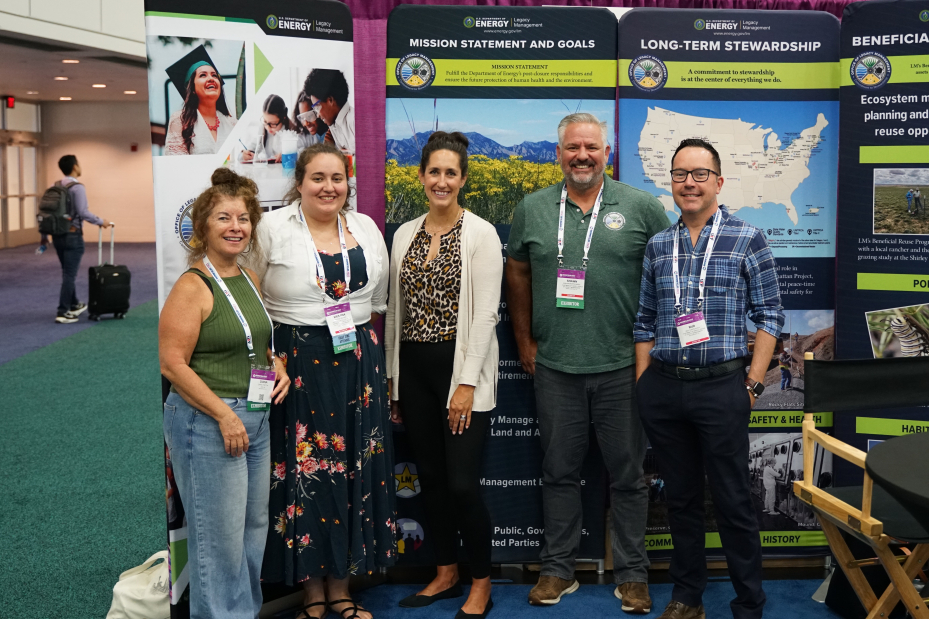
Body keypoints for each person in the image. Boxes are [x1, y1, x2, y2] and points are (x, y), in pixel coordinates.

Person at [505, 112, 669, 613]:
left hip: (623, 367)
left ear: (607, 154)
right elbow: (517, 271)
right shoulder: (532, 208)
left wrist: (653, 352)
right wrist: (525, 340)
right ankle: (557, 570)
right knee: (558, 471)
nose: (582, 156)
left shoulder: (642, 208)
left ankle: (633, 575)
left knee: (627, 476)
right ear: (559, 154)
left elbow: (668, 274)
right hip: (555, 366)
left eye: (591, 148)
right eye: (573, 147)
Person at [633, 138, 785, 619]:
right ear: (670, 182)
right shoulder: (658, 245)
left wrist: (754, 384)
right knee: (679, 500)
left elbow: (770, 317)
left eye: (700, 174)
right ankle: (687, 597)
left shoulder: (748, 238)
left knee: (734, 501)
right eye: (680, 174)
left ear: (719, 182)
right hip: (664, 386)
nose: (689, 183)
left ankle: (748, 603)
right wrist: (644, 385)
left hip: (723, 388)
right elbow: (644, 320)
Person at [247, 144, 396, 619]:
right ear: (300, 181)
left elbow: (378, 301)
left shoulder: (367, 228)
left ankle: (343, 587)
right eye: (318, 177)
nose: (328, 187)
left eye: (337, 178)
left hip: (357, 362)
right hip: (295, 365)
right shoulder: (271, 228)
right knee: (305, 473)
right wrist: (271, 360)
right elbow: (248, 302)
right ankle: (312, 592)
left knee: (353, 468)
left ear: (348, 182)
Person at [159, 168, 290, 619]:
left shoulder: (249, 280)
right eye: (223, 218)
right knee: (218, 539)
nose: (236, 226)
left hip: (254, 416)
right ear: (202, 228)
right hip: (210, 422)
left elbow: (254, 341)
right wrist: (223, 415)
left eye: (243, 218)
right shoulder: (193, 286)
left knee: (251, 531)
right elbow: (172, 364)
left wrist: (277, 367)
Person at [386, 131, 503, 619]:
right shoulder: (404, 233)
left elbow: (485, 316)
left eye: (450, 172)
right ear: (421, 176)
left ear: (463, 179)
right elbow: (395, 311)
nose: (441, 180)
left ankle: (481, 581)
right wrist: (393, 378)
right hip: (413, 368)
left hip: (460, 370)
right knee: (430, 478)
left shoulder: (481, 233)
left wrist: (467, 384)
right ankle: (445, 571)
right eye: (433, 171)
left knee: (461, 485)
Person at [46, 154, 112, 324]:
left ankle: (74, 304)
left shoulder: (57, 185)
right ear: (75, 166)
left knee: (66, 272)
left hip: (57, 235)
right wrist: (101, 221)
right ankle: (63, 311)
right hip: (73, 235)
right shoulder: (77, 187)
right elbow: (83, 213)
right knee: (69, 274)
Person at [166, 58, 236, 155]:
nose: (211, 79)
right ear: (192, 88)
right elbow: (177, 163)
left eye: (214, 75)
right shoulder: (180, 120)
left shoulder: (231, 123)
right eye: (203, 75)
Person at [304, 68, 353, 157]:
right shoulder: (334, 125)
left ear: (330, 100)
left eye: (317, 107)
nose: (318, 115)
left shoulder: (354, 122)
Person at [242, 94, 292, 164]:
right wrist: (245, 154)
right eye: (265, 121)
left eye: (273, 123)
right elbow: (251, 147)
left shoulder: (293, 133)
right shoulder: (262, 128)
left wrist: (291, 154)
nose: (268, 127)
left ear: (283, 117)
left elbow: (302, 153)